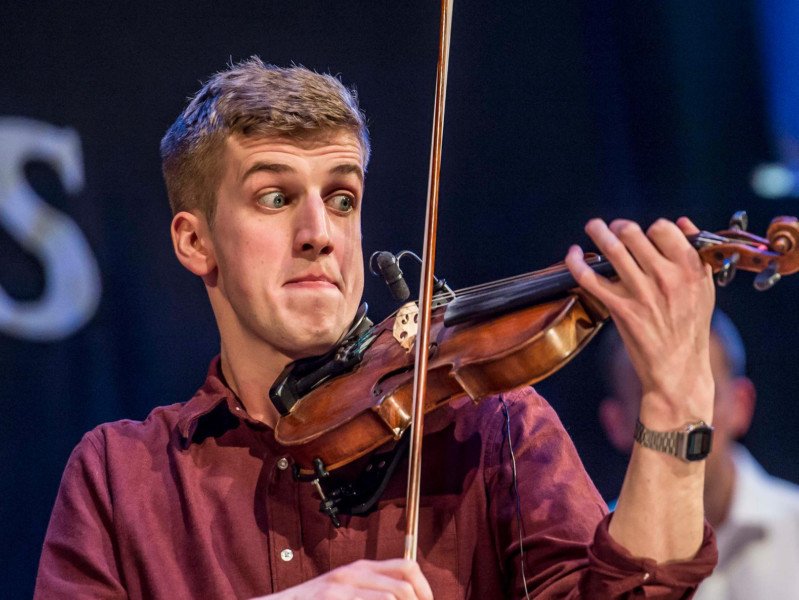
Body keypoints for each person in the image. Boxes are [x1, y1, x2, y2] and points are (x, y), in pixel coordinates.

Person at [35, 57, 718, 599]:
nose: (319, 234)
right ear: (194, 241)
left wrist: (675, 406)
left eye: (341, 198)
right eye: (273, 197)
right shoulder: (120, 476)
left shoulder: (491, 427)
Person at [599, 311, 799, 600]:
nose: (682, 424)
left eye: (698, 396)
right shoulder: (592, 563)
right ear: (615, 423)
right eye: (652, 403)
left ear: (741, 405)